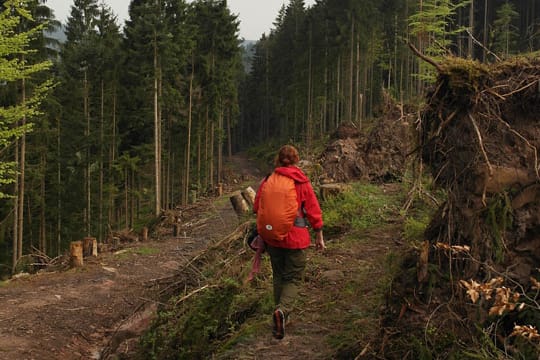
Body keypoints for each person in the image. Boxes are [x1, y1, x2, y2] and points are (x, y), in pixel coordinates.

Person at [253, 145, 325, 340]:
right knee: (293, 279)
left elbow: (256, 205)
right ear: (296, 161)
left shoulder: (269, 179)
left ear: (278, 159)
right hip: (297, 239)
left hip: (273, 238)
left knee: (278, 276)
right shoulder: (301, 182)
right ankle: (282, 312)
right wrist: (319, 234)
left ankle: (279, 315)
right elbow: (313, 210)